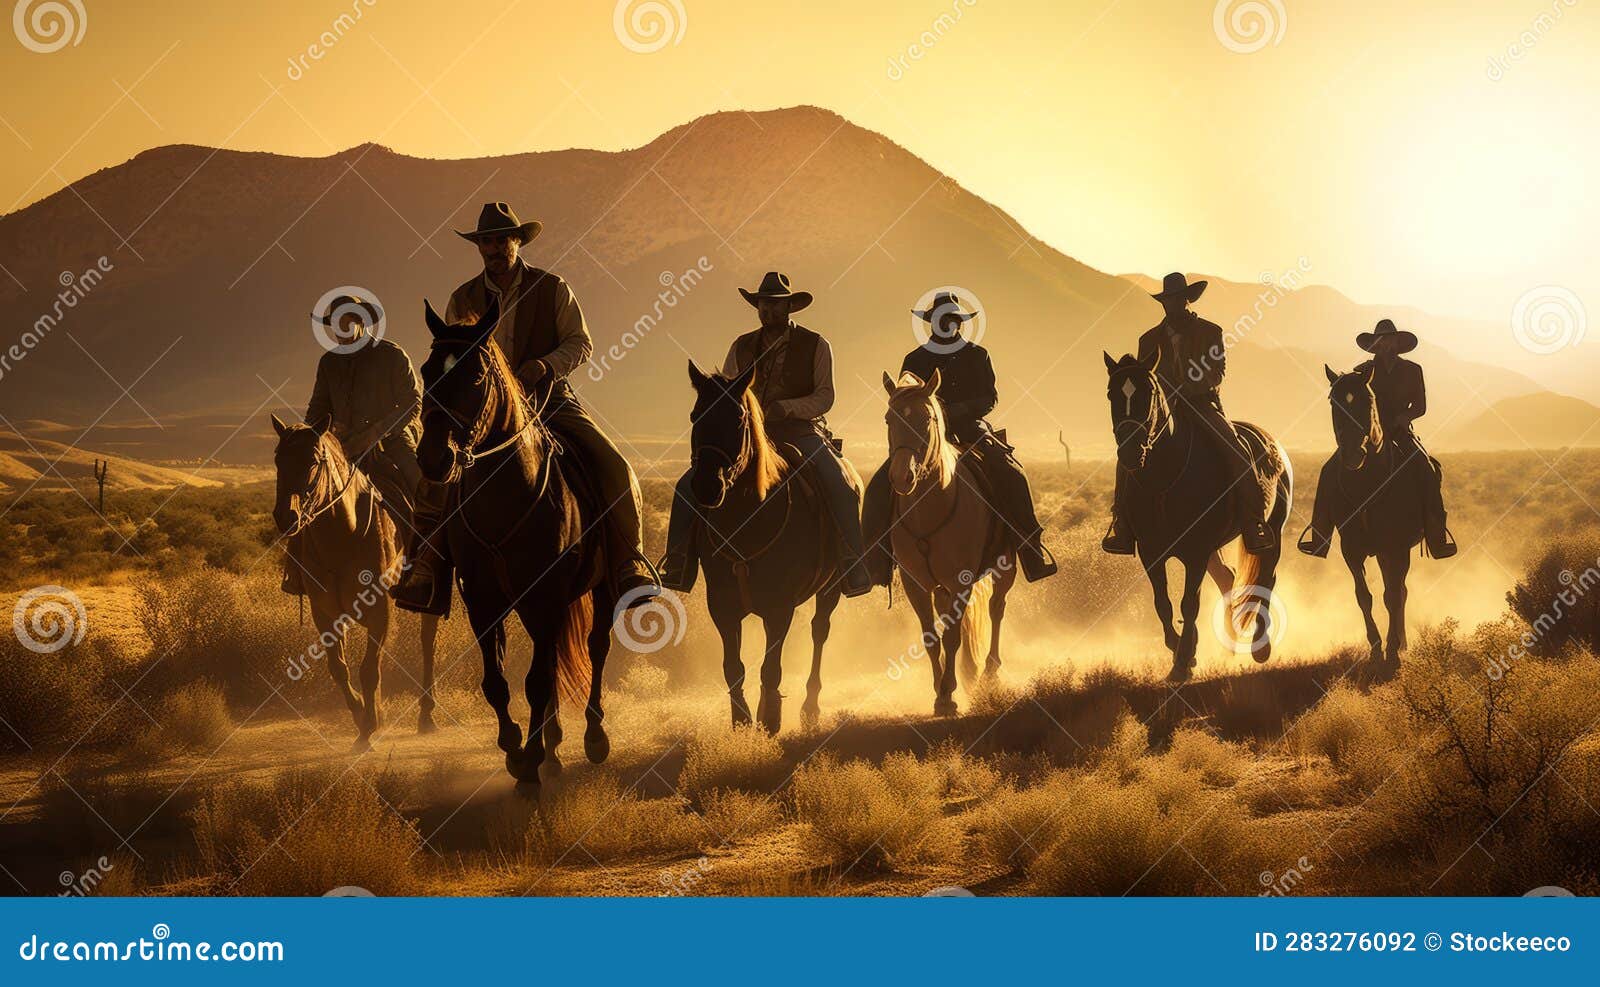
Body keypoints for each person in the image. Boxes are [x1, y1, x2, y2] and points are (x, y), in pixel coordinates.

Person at [391, 202, 659, 614]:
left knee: (613, 464)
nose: (495, 249)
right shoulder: (463, 298)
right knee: (437, 475)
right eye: (486, 242)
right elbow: (450, 361)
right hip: (481, 414)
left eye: (502, 240)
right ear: (478, 247)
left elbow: (580, 343)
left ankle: (629, 562)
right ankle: (425, 569)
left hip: (550, 401)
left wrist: (545, 365)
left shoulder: (552, 287)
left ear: (517, 241)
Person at [657, 272, 871, 597]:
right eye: (762, 304)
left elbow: (825, 396)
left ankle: (852, 562)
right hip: (746, 434)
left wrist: (787, 407)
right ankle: (677, 562)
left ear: (788, 307)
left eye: (774, 304)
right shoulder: (741, 345)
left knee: (839, 482)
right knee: (689, 483)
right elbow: (727, 394)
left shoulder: (816, 344)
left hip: (800, 431)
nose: (767, 310)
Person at [861, 292, 1057, 583]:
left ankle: (1030, 551)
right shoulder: (914, 359)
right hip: (921, 437)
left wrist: (958, 409)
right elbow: (902, 400)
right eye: (943, 319)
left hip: (968, 430)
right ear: (932, 323)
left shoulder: (978, 355)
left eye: (953, 319)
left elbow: (989, 398)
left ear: (960, 323)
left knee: (1011, 473)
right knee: (880, 484)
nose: (948, 324)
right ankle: (875, 561)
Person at [1101, 272, 1275, 555]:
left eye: (1178, 299)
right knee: (1128, 456)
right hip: (1160, 412)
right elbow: (1144, 380)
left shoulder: (1211, 332)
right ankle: (1122, 525)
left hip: (1202, 405)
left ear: (1187, 300)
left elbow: (1217, 373)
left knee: (1237, 452)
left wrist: (1187, 388)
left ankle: (1253, 521)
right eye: (1168, 300)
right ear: (1164, 303)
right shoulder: (1148, 339)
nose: (1173, 305)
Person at [282, 294, 422, 595]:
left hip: (392, 443)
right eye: (335, 323)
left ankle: (424, 571)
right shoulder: (329, 362)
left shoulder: (391, 354)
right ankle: (298, 571)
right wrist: (322, 431)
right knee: (307, 490)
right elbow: (317, 409)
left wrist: (375, 433)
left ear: (361, 321)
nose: (341, 329)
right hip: (343, 448)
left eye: (347, 321)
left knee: (421, 488)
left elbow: (412, 402)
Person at [1298, 318, 1457, 559]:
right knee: (1328, 471)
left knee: (1427, 470)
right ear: (1375, 344)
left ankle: (1437, 535)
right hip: (1366, 434)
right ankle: (1320, 536)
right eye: (1381, 341)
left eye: (1389, 340)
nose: (1385, 344)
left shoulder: (1412, 370)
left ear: (1397, 343)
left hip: (1401, 433)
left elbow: (1421, 406)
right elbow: (1352, 400)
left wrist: (1405, 416)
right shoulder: (1363, 370)